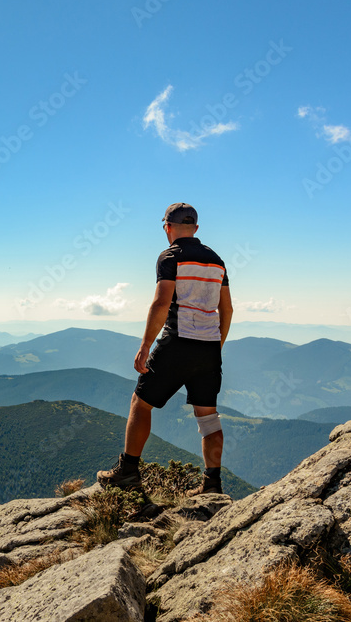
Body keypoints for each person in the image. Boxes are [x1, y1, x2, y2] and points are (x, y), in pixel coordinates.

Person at [97, 202, 233, 499]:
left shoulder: (170, 257)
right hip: (209, 348)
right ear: (196, 228)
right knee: (208, 417)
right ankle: (212, 484)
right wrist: (215, 346)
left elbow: (161, 303)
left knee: (141, 402)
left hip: (177, 342)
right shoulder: (217, 260)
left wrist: (145, 344)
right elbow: (227, 309)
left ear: (167, 228)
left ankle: (128, 472)